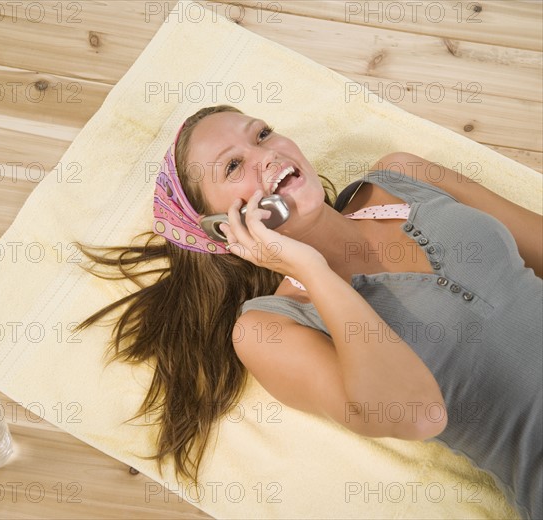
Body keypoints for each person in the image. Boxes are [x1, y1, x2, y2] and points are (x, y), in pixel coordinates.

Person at [75, 105, 542, 520]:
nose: (267, 154)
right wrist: (309, 268)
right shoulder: (268, 329)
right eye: (234, 165)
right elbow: (419, 415)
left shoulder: (402, 175)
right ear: (222, 229)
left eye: (262, 134)